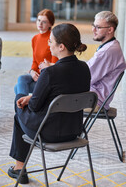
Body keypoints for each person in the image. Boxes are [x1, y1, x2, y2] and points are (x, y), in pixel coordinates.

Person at [8, 23, 90, 184]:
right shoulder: (84, 68)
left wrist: (27, 97)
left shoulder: (50, 72)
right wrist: (32, 97)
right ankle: (19, 168)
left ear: (61, 46)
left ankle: (19, 168)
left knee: (19, 101)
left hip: (48, 133)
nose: (48, 44)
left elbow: (33, 107)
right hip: (74, 130)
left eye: (51, 41)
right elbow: (69, 94)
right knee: (26, 99)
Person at [86, 11, 126, 111]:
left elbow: (86, 77)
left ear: (110, 30)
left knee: (55, 98)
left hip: (94, 100)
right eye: (93, 25)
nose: (93, 30)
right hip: (94, 95)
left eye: (98, 27)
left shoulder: (107, 51)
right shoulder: (112, 45)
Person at [14, 9, 58, 96]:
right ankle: (25, 107)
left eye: (44, 22)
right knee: (21, 81)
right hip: (36, 75)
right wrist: (32, 72)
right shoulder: (35, 38)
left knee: (18, 86)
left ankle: (24, 107)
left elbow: (55, 64)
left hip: (47, 77)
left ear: (50, 24)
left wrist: (41, 74)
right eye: (38, 20)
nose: (40, 24)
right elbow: (35, 61)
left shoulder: (53, 39)